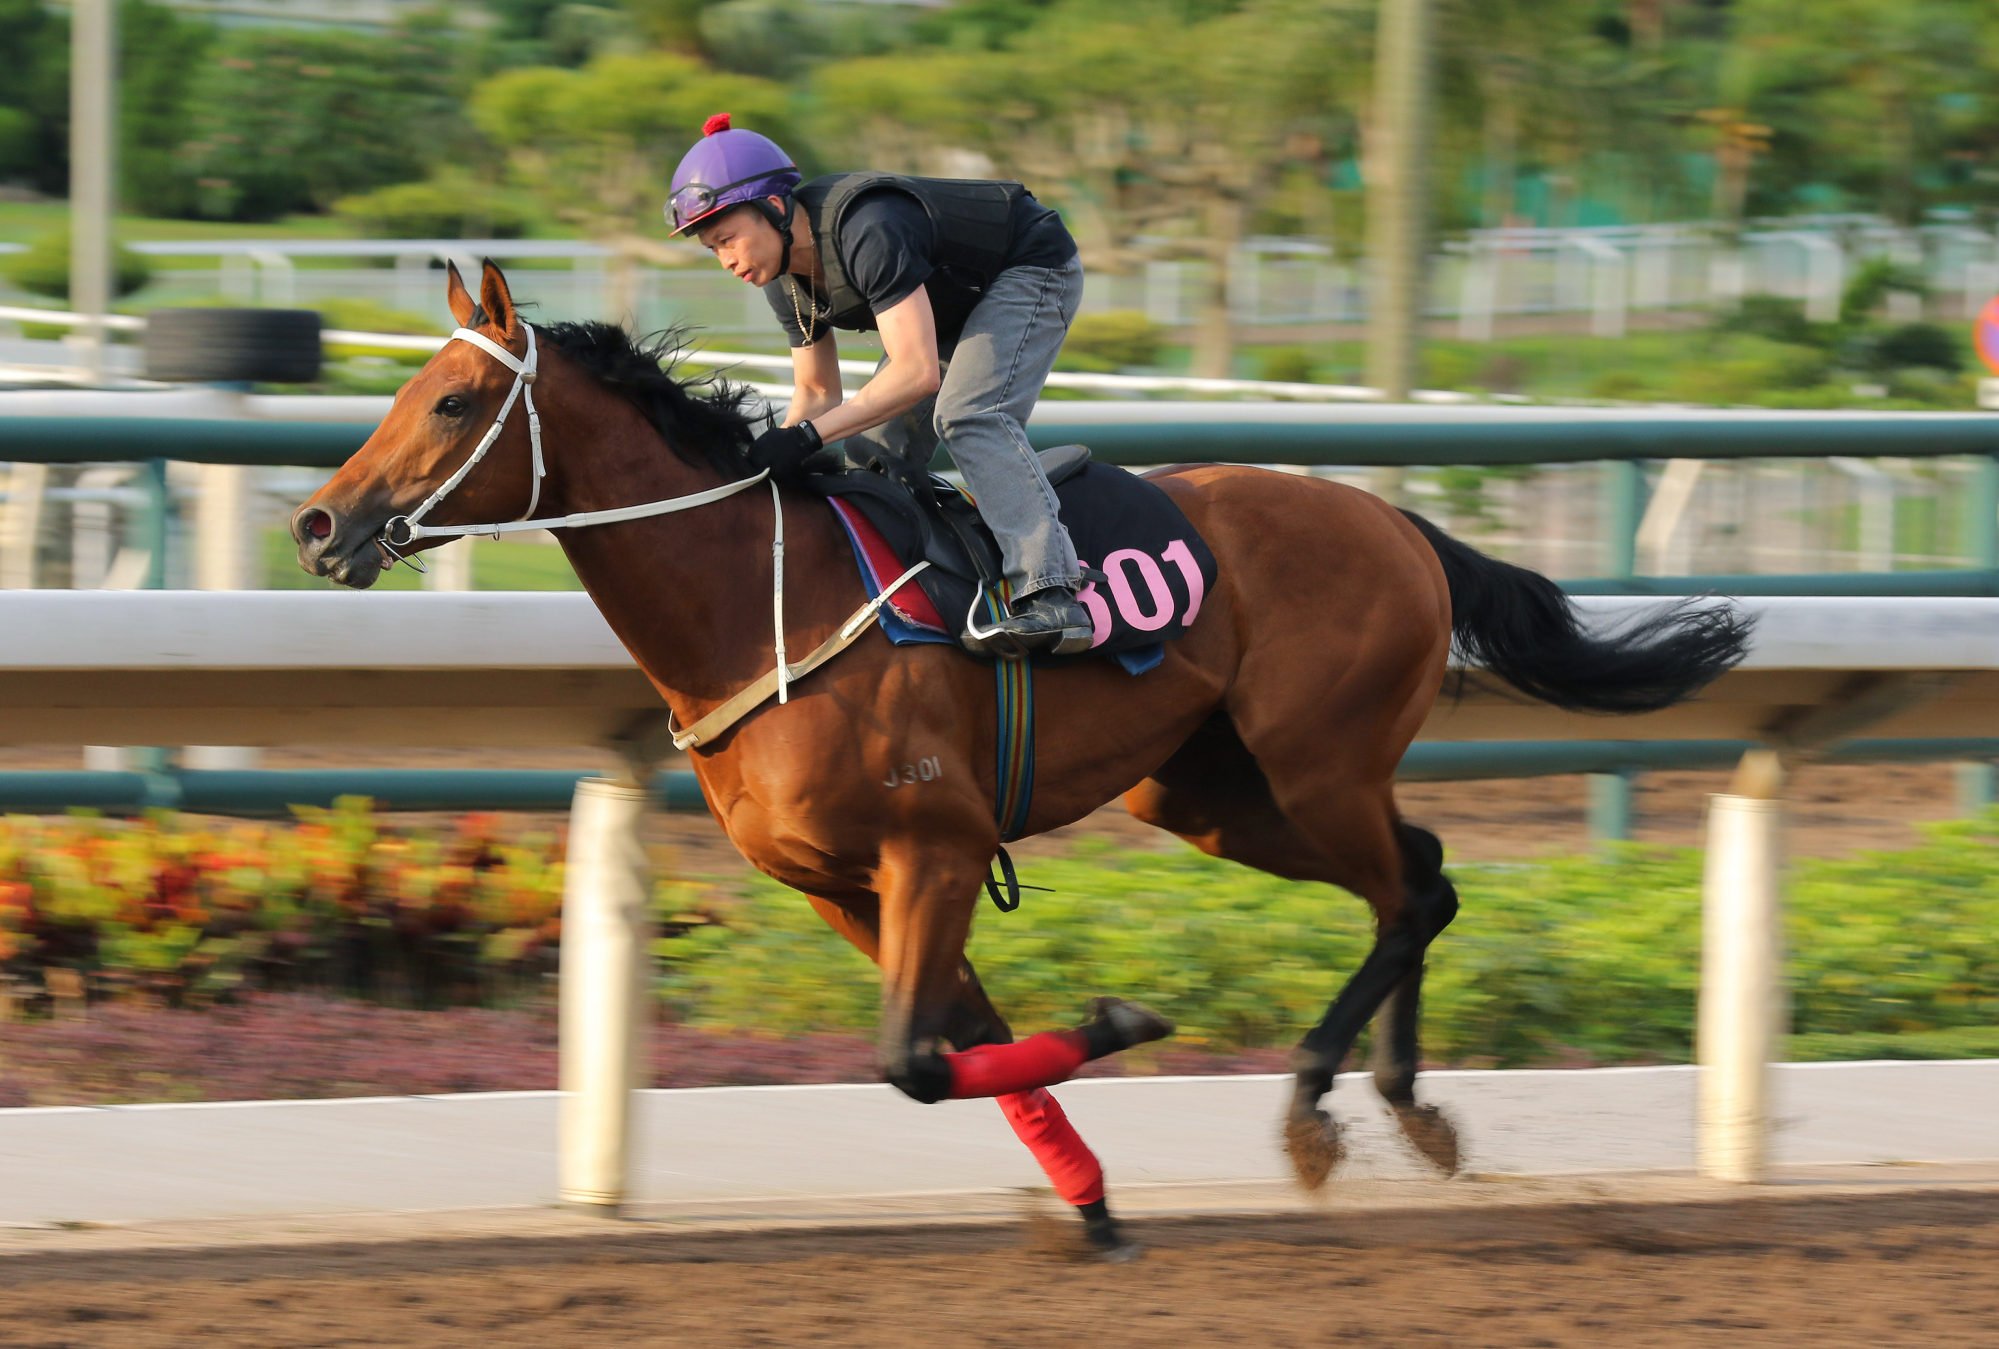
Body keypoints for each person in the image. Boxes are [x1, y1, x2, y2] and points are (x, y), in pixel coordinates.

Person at [665, 113, 1092, 659]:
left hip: (1027, 266)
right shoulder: (783, 279)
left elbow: (917, 374)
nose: (726, 261)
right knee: (873, 455)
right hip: (951, 297)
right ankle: (934, 591)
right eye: (713, 249)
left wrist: (807, 439)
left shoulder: (867, 228)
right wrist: (769, 463)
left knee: (969, 415)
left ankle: (1053, 596)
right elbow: (818, 393)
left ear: (773, 208)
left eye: (728, 239)